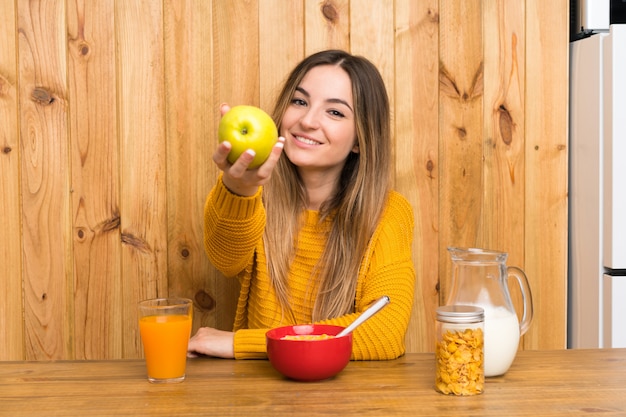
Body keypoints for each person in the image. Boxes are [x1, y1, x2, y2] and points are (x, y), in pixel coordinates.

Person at [188, 49, 415, 360]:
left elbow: (384, 332)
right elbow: (225, 260)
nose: (307, 121)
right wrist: (240, 189)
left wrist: (241, 344)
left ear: (361, 140)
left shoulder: (387, 213)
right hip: (260, 397)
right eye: (300, 101)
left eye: (335, 112)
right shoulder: (256, 197)